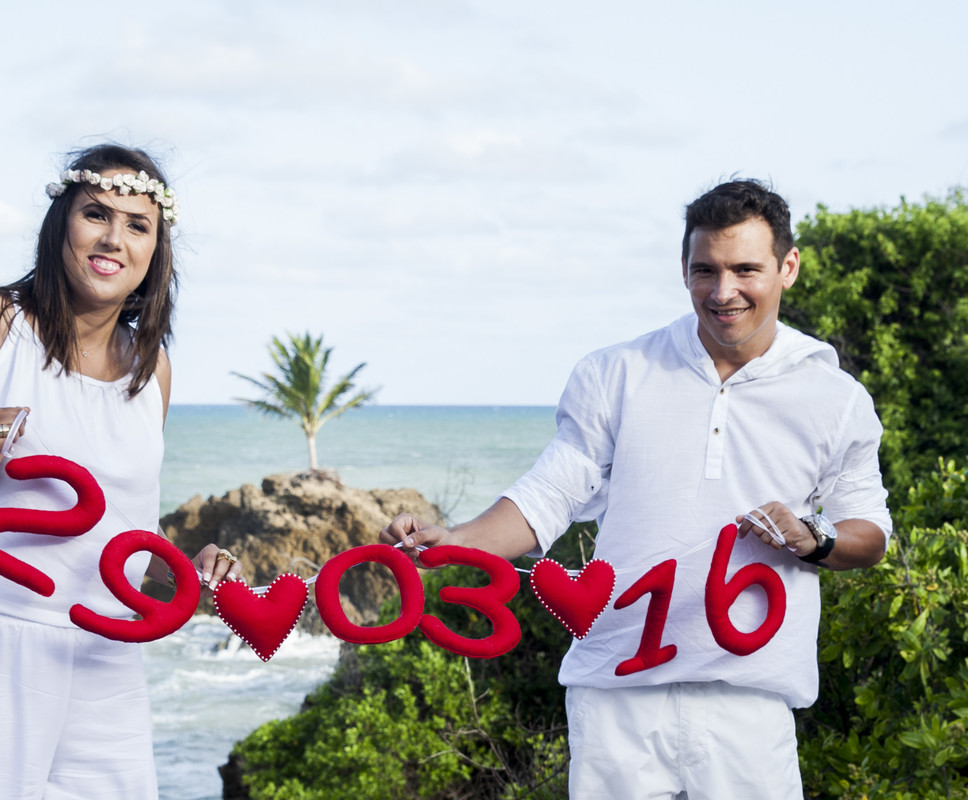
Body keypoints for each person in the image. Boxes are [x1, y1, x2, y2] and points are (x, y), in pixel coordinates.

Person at [381, 179, 890, 798]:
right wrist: (458, 540)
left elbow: (868, 533)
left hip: (749, 699)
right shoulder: (615, 373)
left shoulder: (835, 398)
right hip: (615, 692)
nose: (723, 292)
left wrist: (814, 537)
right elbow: (551, 494)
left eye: (745, 270)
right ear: (683, 270)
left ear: (788, 267)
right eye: (706, 270)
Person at [0, 143, 242, 800]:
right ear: (63, 221)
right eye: (96, 213)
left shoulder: (152, 370)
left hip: (103, 651)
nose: (113, 238)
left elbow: (120, 530)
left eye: (137, 225)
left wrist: (188, 570)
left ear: (156, 250)